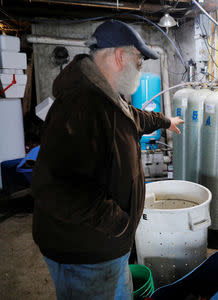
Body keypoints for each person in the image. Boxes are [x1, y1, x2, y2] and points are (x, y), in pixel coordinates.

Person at [31, 19, 183, 299]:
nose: (140, 68)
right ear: (119, 56)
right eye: (139, 60)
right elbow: (56, 189)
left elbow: (132, 118)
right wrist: (121, 224)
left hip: (105, 248)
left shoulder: (105, 96)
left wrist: (164, 120)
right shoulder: (81, 105)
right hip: (85, 255)